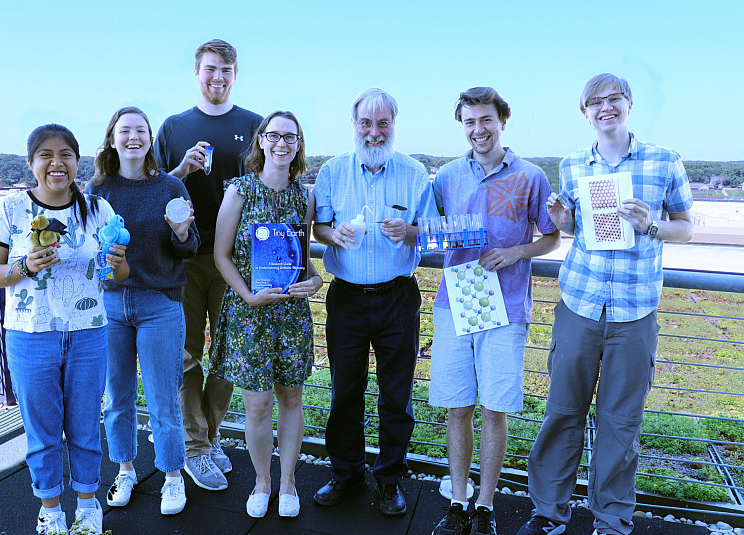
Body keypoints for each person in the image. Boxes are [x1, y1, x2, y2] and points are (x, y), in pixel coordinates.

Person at [517, 73, 693, 535]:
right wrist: (563, 219)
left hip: (635, 312)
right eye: (595, 102)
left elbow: (686, 227)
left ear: (629, 104)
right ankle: (549, 512)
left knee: (621, 422)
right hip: (580, 304)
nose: (605, 107)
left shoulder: (664, 161)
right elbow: (577, 230)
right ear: (585, 113)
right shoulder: (573, 165)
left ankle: (611, 519)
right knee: (562, 412)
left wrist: (650, 225)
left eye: (614, 99)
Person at [0, 124, 129, 535]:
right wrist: (25, 266)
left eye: (65, 154)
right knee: (42, 431)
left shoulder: (99, 209)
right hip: (30, 334)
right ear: (32, 163)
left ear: (77, 161)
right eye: (45, 154)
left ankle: (86, 504)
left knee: (84, 425)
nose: (56, 162)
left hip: (89, 332)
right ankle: (50, 510)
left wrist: (117, 262)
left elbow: (119, 274)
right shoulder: (10, 209)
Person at [429, 87, 560, 535]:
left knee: (495, 409)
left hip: (506, 304)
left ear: (502, 121)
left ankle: (485, 505)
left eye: (486, 120)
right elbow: (432, 232)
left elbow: (550, 236)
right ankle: (458, 501)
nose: (478, 129)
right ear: (461, 125)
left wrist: (517, 252)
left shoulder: (530, 176)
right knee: (458, 407)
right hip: (456, 301)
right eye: (469, 121)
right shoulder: (445, 176)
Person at [311, 88, 437, 516]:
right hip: (345, 297)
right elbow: (320, 228)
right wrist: (335, 235)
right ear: (355, 127)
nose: (374, 131)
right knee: (345, 390)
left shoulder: (416, 173)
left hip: (397, 298)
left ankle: (389, 479)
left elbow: (432, 230)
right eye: (366, 123)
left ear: (393, 126)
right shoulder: (332, 171)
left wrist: (410, 231)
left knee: (396, 395)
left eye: (383, 123)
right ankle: (346, 474)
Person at [154, 38, 263, 491]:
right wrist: (179, 172)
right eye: (210, 69)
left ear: (236, 75)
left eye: (226, 71)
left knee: (227, 354)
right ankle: (197, 448)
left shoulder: (255, 125)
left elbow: (267, 190)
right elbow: (150, 190)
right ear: (197, 72)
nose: (218, 77)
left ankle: (208, 435)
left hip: (235, 260)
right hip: (183, 258)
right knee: (185, 355)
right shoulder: (173, 127)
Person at [86, 106, 199, 516]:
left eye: (141, 130)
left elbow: (189, 248)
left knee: (163, 397)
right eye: (125, 131)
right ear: (112, 140)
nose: (133, 137)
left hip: (160, 303)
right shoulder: (97, 190)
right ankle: (125, 469)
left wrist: (183, 232)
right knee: (116, 397)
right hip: (110, 304)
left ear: (150, 139)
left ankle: (172, 476)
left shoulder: (171, 186)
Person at [210, 111, 323, 518]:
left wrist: (316, 282)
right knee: (257, 407)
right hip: (249, 314)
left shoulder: (304, 197)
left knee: (292, 400)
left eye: (290, 137)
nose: (281, 144)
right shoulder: (238, 191)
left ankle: (289, 481)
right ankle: (263, 481)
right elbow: (222, 256)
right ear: (261, 141)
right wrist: (247, 295)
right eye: (273, 135)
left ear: (298, 145)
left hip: (291, 316)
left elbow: (302, 261)